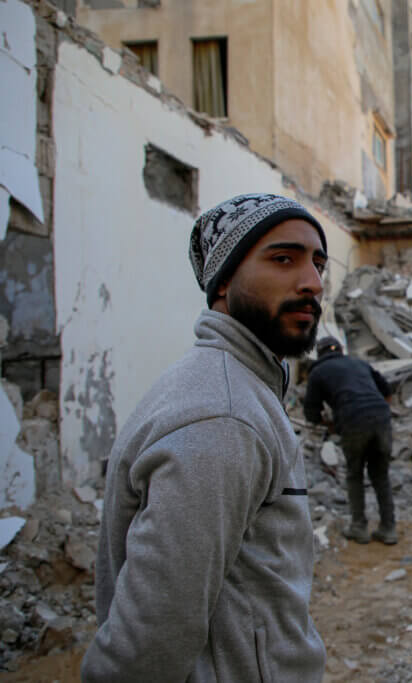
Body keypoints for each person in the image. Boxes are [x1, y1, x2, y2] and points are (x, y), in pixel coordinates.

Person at [82, 193, 328, 682]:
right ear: (224, 282)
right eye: (283, 259)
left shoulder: (235, 387)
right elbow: (148, 641)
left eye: (319, 264)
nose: (313, 283)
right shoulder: (225, 414)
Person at [304, 335, 397, 544]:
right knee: (381, 476)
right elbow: (387, 391)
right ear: (340, 350)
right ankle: (389, 529)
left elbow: (311, 414)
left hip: (352, 421)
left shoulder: (318, 372)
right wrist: (379, 413)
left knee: (355, 474)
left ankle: (359, 527)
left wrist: (332, 424)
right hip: (381, 418)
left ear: (320, 353)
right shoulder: (358, 363)